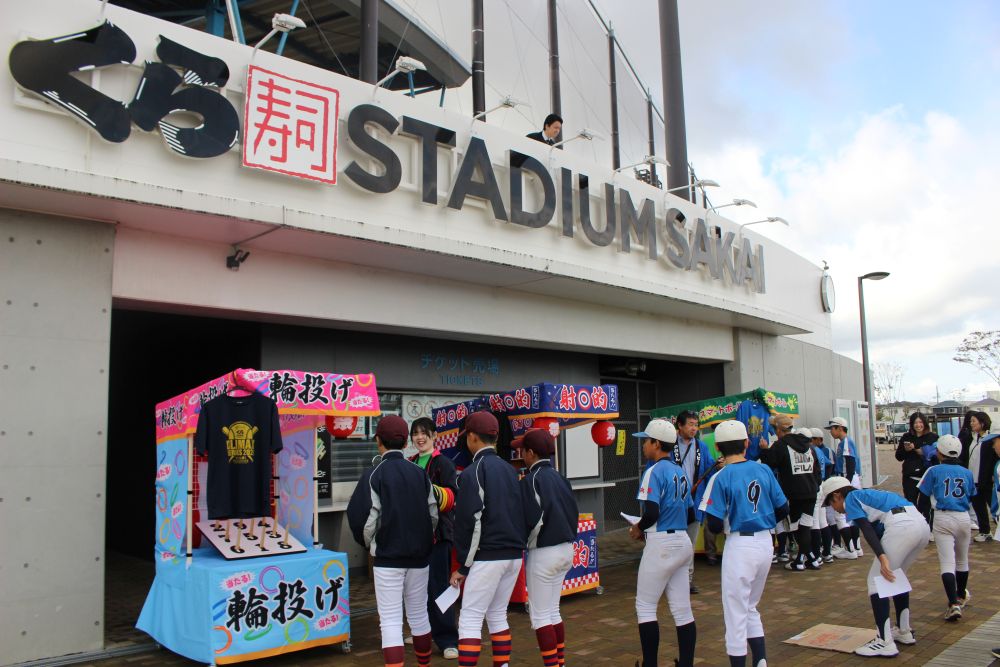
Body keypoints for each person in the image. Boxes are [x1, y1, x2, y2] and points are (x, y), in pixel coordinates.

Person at [347, 415, 439, 667]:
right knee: (419, 615)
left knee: (390, 620)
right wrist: (423, 539)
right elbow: (433, 513)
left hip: (388, 557)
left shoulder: (374, 474)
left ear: (379, 440)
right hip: (420, 557)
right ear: (405, 441)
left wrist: (371, 544)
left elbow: (364, 518)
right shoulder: (419, 472)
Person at [700, 419, 788, 667]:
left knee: (736, 613)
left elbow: (714, 524)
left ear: (718, 447)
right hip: (765, 543)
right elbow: (783, 507)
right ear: (747, 443)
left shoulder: (721, 476)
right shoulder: (764, 469)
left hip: (740, 545)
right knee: (750, 607)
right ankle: (760, 662)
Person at [820, 476, 930, 657]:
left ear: (838, 495)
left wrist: (882, 556)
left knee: (876, 582)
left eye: (831, 502)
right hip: (920, 525)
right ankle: (904, 631)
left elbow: (866, 530)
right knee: (896, 576)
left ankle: (884, 641)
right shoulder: (868, 494)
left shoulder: (852, 498)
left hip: (901, 527)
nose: (834, 508)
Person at [449, 412, 527, 667]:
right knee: (497, 615)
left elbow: (470, 522)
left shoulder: (473, 472)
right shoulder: (511, 469)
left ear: (472, 437)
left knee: (471, 617)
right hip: (514, 555)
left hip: (487, 556)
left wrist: (463, 565)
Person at [629, 418, 698, 667]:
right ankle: (686, 663)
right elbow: (690, 515)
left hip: (662, 543)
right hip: (682, 540)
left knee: (646, 607)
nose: (644, 445)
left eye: (646, 441)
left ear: (657, 443)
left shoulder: (653, 471)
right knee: (682, 610)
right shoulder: (680, 471)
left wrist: (638, 529)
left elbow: (652, 513)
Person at [519, 428, 578, 667]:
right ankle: (559, 662)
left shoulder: (530, 480)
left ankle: (553, 665)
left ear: (531, 453)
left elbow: (528, 519)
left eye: (522, 450)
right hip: (566, 549)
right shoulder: (561, 477)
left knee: (541, 616)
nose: (521, 454)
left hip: (543, 552)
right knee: (553, 611)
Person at [409, 417, 461, 659]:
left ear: (434, 435)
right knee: (416, 589)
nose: (420, 438)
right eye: (415, 434)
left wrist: (426, 490)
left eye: (424, 433)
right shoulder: (409, 462)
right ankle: (423, 631)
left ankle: (448, 639)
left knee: (439, 587)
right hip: (414, 538)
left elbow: (452, 497)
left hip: (439, 536)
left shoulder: (444, 463)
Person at [916, 434, 976, 621]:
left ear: (940, 452)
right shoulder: (967, 472)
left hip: (943, 517)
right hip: (963, 517)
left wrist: (920, 518)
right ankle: (960, 596)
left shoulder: (934, 470)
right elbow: (972, 495)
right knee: (962, 561)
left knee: (947, 563)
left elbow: (923, 497)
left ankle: (953, 604)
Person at [760, 415, 821, 571]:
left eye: (775, 429)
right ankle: (810, 558)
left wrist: (764, 450)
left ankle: (801, 560)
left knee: (795, 526)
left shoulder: (781, 445)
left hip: (794, 492)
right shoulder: (808, 445)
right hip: (811, 491)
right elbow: (817, 469)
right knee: (806, 525)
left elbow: (770, 462)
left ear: (779, 430)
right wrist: (815, 485)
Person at [672, 410, 716, 592]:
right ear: (679, 426)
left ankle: (688, 580)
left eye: (696, 425)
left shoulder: (701, 447)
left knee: (689, 543)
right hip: (674, 502)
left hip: (695, 501)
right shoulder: (670, 445)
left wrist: (717, 466)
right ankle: (671, 578)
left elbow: (709, 469)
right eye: (690, 424)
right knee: (673, 542)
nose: (694, 428)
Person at [826, 417, 863, 556]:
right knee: (851, 514)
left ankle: (850, 549)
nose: (831, 432)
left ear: (839, 428)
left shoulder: (846, 442)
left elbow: (850, 462)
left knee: (840, 516)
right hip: (850, 478)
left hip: (848, 479)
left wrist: (845, 483)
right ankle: (857, 547)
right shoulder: (843, 442)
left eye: (832, 429)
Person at [960, 411, 995, 542]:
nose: (971, 423)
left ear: (982, 422)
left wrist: (992, 475)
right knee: (978, 507)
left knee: (994, 506)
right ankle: (985, 531)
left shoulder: (991, 438)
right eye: (970, 421)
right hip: (973, 480)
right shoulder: (972, 438)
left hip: (986, 480)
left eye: (974, 421)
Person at [895, 411, 938, 511]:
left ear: (925, 423)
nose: (918, 425)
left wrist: (922, 451)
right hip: (910, 476)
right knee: (910, 504)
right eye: (915, 423)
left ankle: (926, 525)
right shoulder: (906, 437)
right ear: (911, 424)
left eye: (920, 422)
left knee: (926, 506)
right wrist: (906, 450)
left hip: (927, 477)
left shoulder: (933, 437)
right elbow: (898, 457)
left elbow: (937, 458)